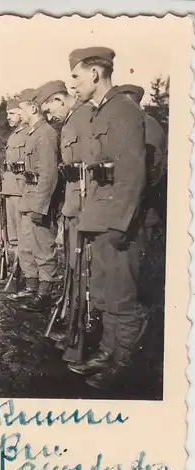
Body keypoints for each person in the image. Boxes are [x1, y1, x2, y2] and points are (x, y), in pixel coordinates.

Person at [65, 47, 149, 389]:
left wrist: (120, 222)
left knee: (121, 296)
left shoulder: (123, 111)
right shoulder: (97, 113)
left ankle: (125, 362)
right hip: (98, 216)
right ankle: (108, 351)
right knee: (104, 291)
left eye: (76, 76)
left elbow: (132, 173)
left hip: (116, 218)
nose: (73, 84)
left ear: (95, 74)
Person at [38, 80, 96, 350]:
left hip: (86, 207)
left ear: (59, 100)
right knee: (74, 270)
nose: (50, 117)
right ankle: (74, 325)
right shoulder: (74, 120)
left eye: (50, 110)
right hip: (73, 206)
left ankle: (84, 331)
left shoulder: (85, 117)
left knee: (85, 271)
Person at [8, 86, 61, 312]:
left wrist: (40, 206)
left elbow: (48, 173)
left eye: (21, 108)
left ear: (32, 108)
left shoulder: (46, 134)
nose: (20, 112)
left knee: (43, 248)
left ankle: (45, 294)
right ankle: (32, 288)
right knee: (29, 245)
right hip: (29, 197)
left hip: (40, 200)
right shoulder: (33, 133)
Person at [117, 84, 168, 242]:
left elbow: (153, 172)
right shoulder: (130, 125)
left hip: (144, 210)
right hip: (130, 209)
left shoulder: (149, 126)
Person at [0, 98, 29, 290]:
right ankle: (18, 273)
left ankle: (24, 275)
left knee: (23, 236)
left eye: (11, 113)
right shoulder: (14, 135)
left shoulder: (27, 134)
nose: (8, 117)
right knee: (14, 237)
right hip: (10, 190)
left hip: (20, 191)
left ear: (21, 113)